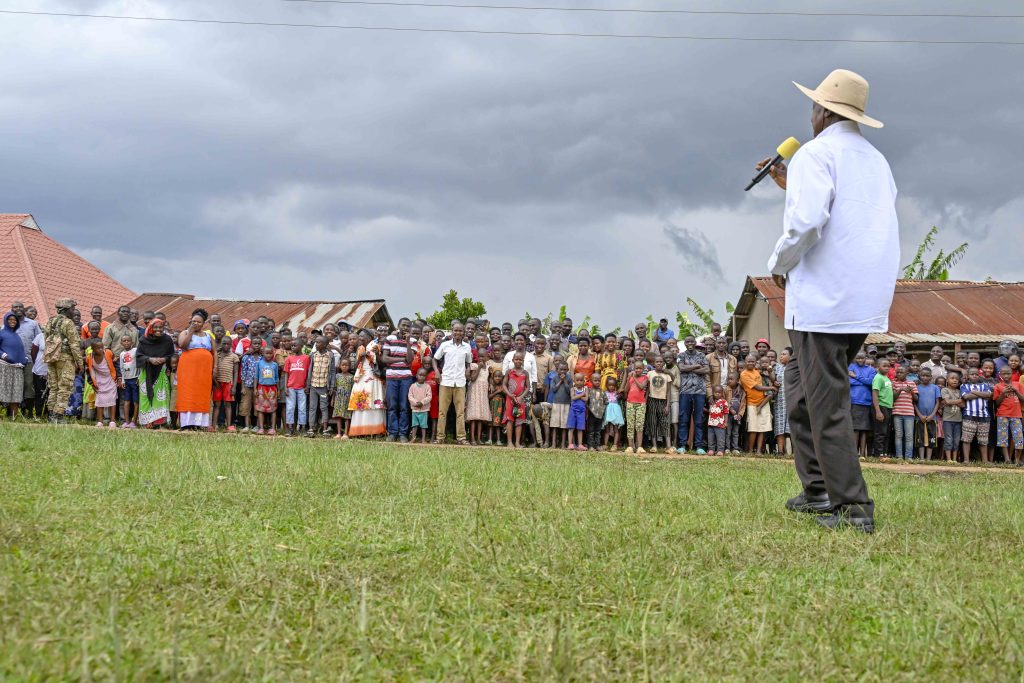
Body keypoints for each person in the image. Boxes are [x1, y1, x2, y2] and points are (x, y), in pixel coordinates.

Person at [761, 69, 896, 533]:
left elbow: (807, 224)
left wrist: (780, 263)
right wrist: (790, 183)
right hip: (861, 298)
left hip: (822, 300)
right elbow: (849, 218)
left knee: (825, 402)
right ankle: (816, 489)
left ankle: (854, 506)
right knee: (799, 389)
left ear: (821, 112)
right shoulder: (875, 160)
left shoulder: (815, 154)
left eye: (813, 107)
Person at [176, 309, 217, 430]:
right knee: (187, 392)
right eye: (193, 321)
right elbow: (182, 345)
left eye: (199, 322)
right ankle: (186, 423)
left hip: (204, 370)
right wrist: (190, 332)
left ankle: (199, 424)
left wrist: (215, 367)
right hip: (188, 369)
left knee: (202, 394)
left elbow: (214, 353)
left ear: (204, 323)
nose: (196, 324)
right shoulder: (184, 333)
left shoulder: (209, 336)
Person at [433, 321, 473, 445]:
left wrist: (467, 370)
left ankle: (461, 438)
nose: (458, 333)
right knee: (442, 412)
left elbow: (469, 362)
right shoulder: (445, 345)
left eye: (460, 331)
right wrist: (437, 372)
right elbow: (435, 359)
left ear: (463, 332)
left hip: (460, 383)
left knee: (460, 412)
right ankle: (440, 437)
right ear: (452, 331)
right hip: (445, 381)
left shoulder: (467, 347)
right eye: (456, 330)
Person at [347, 330, 386, 438]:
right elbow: (356, 366)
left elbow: (380, 362)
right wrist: (361, 356)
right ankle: (360, 430)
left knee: (373, 403)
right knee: (361, 404)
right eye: (359, 336)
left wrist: (369, 354)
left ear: (370, 337)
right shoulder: (360, 348)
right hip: (361, 378)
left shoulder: (374, 345)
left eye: (363, 336)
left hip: (372, 378)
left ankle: (375, 430)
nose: (360, 338)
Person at [382, 320, 415, 443]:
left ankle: (403, 434)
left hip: (406, 378)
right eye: (403, 325)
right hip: (391, 377)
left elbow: (410, 360)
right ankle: (392, 433)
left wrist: (407, 343)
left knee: (404, 406)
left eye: (408, 326)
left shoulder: (413, 342)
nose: (405, 328)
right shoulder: (389, 339)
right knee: (392, 406)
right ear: (398, 326)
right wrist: (402, 358)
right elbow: (385, 359)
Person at [676, 336, 709, 454]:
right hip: (685, 391)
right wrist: (696, 366)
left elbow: (706, 370)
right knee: (683, 418)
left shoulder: (701, 355)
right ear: (685, 343)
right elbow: (681, 367)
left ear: (695, 343)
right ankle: (682, 445)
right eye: (687, 341)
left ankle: (699, 446)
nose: (689, 343)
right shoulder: (681, 355)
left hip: (699, 391)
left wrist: (688, 369)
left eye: (691, 341)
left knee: (699, 419)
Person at [10, 302, 40, 414]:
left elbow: (39, 341)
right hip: (12, 362)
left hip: (29, 360)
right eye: (15, 307)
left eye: (20, 307)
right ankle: (12, 412)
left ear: (24, 309)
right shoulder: (8, 324)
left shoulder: (33, 324)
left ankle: (28, 412)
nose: (18, 309)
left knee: (29, 385)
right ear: (11, 309)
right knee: (15, 385)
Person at [740, 354, 773, 454]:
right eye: (749, 361)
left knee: (762, 428)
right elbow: (757, 387)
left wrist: (770, 371)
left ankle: (758, 451)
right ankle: (750, 451)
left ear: (756, 363)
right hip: (752, 404)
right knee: (753, 429)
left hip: (763, 403)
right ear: (745, 362)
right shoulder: (744, 374)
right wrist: (771, 388)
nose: (750, 363)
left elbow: (770, 377)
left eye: (753, 361)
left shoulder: (757, 372)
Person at [0, 311, 29, 418]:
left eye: (14, 320)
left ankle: (14, 418)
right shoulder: (1, 333)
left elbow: (19, 349)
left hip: (17, 368)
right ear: (5, 321)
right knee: (2, 391)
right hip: (4, 367)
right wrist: (4, 356)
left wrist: (25, 358)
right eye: (10, 320)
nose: (12, 322)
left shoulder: (16, 335)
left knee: (16, 393)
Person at [961, 368, 993, 463]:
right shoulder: (964, 385)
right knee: (966, 439)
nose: (974, 376)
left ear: (979, 376)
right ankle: (966, 460)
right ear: (968, 376)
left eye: (976, 374)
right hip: (969, 415)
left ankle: (985, 460)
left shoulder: (984, 385)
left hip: (984, 416)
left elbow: (988, 395)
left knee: (983, 440)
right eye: (972, 374)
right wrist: (981, 394)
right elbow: (966, 397)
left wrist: (974, 392)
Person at [992, 366, 1023, 465]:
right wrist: (1003, 393)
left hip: (1016, 415)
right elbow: (996, 403)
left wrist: (1016, 391)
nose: (1006, 376)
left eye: (1008, 373)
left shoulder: (1018, 384)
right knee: (1003, 438)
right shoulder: (998, 386)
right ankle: (1007, 459)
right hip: (1002, 415)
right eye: (1004, 374)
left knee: (1019, 438)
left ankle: (1017, 460)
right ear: (1000, 375)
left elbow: (1023, 399)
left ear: (1012, 374)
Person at [306, 336, 336, 437]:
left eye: (319, 342)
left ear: (325, 345)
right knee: (312, 407)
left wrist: (331, 386)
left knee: (324, 407)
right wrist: (308, 385)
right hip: (314, 385)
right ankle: (311, 429)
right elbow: (310, 370)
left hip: (324, 387)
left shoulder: (330, 355)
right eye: (316, 342)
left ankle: (325, 429)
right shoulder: (313, 355)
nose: (316, 344)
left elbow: (332, 371)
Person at [848, 352, 876, 457]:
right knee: (855, 428)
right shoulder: (850, 367)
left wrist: (855, 376)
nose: (860, 360)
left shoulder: (871, 369)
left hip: (866, 402)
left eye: (862, 358)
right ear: (855, 358)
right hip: (854, 401)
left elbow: (870, 382)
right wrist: (862, 381)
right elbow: (849, 381)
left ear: (865, 358)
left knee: (864, 428)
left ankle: (863, 454)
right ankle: (854, 453)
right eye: (858, 358)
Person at [86, 337, 117, 428]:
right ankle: (100, 421)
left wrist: (117, 377)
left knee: (112, 400)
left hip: (110, 379)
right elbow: (89, 371)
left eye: (102, 347)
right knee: (99, 401)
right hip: (99, 380)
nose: (101, 349)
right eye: (98, 348)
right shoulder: (89, 357)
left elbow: (115, 363)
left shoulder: (108, 353)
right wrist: (92, 384)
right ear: (93, 349)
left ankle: (112, 421)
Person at [502, 351, 530, 449]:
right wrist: (510, 395)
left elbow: (527, 387)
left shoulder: (525, 373)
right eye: (516, 359)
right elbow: (504, 385)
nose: (518, 361)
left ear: (523, 361)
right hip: (510, 399)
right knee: (510, 420)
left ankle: (517, 442)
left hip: (520, 400)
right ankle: (509, 442)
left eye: (520, 359)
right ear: (513, 360)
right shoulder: (509, 372)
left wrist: (521, 397)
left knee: (519, 421)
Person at [645, 356, 672, 453]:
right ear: (654, 363)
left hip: (663, 401)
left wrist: (668, 405)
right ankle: (654, 446)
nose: (659, 363)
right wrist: (645, 401)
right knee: (652, 422)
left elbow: (669, 391)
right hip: (652, 400)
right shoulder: (650, 374)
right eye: (657, 362)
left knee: (665, 422)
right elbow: (647, 389)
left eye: (661, 362)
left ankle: (668, 446)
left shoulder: (667, 375)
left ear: (663, 363)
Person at [283, 339, 310, 435]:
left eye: (295, 345)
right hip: (291, 387)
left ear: (302, 346)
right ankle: (290, 428)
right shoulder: (289, 358)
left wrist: (307, 385)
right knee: (290, 407)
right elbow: (286, 373)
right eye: (292, 345)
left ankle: (302, 427)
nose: (293, 347)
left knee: (302, 408)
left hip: (302, 387)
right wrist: (285, 387)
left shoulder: (306, 358)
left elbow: (308, 373)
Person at [891, 366, 918, 460]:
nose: (898, 374)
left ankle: (908, 457)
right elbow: (893, 398)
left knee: (909, 436)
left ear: (907, 373)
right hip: (897, 412)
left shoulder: (912, 383)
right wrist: (901, 389)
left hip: (909, 413)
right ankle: (899, 456)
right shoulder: (893, 383)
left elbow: (916, 399)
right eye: (897, 372)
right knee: (898, 435)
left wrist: (912, 392)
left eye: (901, 372)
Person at [212, 337, 239, 433]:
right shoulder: (217, 355)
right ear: (221, 344)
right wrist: (215, 382)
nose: (226, 346)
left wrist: (234, 386)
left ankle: (229, 425)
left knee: (228, 405)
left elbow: (235, 372)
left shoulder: (234, 356)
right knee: (217, 404)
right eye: (224, 343)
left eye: (228, 344)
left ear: (231, 345)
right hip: (217, 383)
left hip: (228, 383)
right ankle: (213, 426)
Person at [915, 367, 941, 460]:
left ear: (931, 377)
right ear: (919, 376)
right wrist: (920, 415)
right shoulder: (916, 388)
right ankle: (922, 458)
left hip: (932, 418)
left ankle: (928, 459)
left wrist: (932, 415)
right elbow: (914, 403)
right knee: (920, 438)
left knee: (931, 438)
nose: (925, 377)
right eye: (923, 375)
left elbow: (937, 402)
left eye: (927, 376)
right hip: (919, 418)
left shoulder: (935, 388)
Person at [624, 361, 649, 454]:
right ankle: (630, 446)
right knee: (630, 425)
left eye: (640, 368)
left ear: (643, 369)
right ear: (633, 368)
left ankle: (639, 447)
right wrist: (628, 379)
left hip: (641, 404)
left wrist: (634, 377)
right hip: (630, 403)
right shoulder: (631, 378)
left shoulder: (645, 378)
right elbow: (626, 390)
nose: (638, 370)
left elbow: (642, 387)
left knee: (639, 426)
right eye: (636, 368)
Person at [465, 358, 492, 446]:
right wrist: (479, 368)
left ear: (487, 357)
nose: (481, 358)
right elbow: (472, 379)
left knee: (480, 417)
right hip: (474, 393)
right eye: (479, 355)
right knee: (473, 417)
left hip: (483, 394)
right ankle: (472, 438)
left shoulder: (488, 367)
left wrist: (490, 385)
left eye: (483, 356)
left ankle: (479, 438)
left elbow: (489, 379)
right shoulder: (474, 366)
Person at [254, 345, 279, 435]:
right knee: (261, 409)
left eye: (270, 353)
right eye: (267, 353)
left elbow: (277, 378)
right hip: (261, 388)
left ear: (273, 354)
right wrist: (255, 389)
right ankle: (261, 428)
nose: (269, 355)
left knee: (273, 409)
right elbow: (256, 377)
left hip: (272, 389)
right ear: (263, 353)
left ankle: (272, 428)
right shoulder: (259, 363)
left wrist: (278, 390)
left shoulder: (274, 365)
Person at [871, 358, 894, 458]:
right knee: (880, 432)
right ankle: (878, 454)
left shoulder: (886, 378)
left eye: (888, 366)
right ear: (877, 367)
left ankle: (884, 452)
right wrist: (878, 411)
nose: (887, 368)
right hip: (881, 407)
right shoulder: (878, 378)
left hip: (888, 407)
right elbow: (875, 395)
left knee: (886, 432)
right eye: (884, 366)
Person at [117, 333, 140, 428]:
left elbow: (139, 364)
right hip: (126, 380)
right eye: (124, 341)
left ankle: (134, 422)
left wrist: (139, 377)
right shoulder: (122, 354)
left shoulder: (135, 351)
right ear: (121, 343)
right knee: (126, 401)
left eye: (128, 340)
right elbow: (122, 368)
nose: (126, 342)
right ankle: (126, 421)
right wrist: (122, 380)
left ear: (132, 342)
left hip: (135, 379)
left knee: (135, 402)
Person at [941, 371, 964, 462]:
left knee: (956, 440)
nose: (955, 380)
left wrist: (954, 401)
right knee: (948, 439)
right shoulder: (945, 390)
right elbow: (947, 402)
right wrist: (959, 401)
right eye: (952, 378)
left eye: (957, 379)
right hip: (947, 419)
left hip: (958, 419)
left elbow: (963, 405)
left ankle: (954, 459)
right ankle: (948, 459)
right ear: (947, 380)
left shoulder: (959, 391)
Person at [548, 362, 571, 449]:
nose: (562, 371)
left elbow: (569, 391)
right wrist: (561, 381)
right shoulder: (554, 378)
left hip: (566, 404)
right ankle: (553, 444)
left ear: (568, 370)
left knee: (564, 425)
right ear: (557, 370)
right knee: (554, 424)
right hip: (556, 403)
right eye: (561, 369)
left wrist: (565, 381)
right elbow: (553, 389)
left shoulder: (569, 378)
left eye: (565, 370)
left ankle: (562, 444)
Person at [773, 347, 791, 455]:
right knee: (780, 426)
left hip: (792, 401)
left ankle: (795, 453)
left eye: (784, 354)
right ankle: (780, 451)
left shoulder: (796, 368)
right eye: (780, 354)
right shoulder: (777, 368)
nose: (781, 356)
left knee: (793, 426)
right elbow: (773, 379)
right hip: (780, 401)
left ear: (791, 356)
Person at [332, 358, 355, 439]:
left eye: (346, 365)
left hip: (347, 399)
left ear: (350, 366)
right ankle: (338, 433)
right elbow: (335, 388)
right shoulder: (337, 376)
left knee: (347, 416)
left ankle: (346, 433)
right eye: (343, 365)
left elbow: (353, 389)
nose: (344, 367)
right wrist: (333, 399)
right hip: (338, 398)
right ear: (340, 366)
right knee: (338, 416)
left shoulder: (352, 377)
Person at [408, 367, 432, 444]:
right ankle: (413, 439)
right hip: (415, 409)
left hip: (424, 409)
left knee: (424, 425)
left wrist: (422, 402)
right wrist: (415, 403)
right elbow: (410, 396)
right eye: (420, 375)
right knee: (414, 425)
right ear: (416, 375)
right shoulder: (412, 386)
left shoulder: (427, 386)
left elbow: (429, 396)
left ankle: (423, 439)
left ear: (426, 376)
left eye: (424, 375)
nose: (422, 377)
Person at [602, 377, 624, 451]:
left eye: (613, 385)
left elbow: (622, 392)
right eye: (609, 385)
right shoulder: (604, 393)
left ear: (615, 386)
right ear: (606, 385)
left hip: (616, 413)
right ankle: (605, 444)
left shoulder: (617, 394)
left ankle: (615, 445)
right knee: (607, 430)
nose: (611, 387)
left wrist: (620, 393)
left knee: (616, 429)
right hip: (608, 413)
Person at [707, 385, 729, 456]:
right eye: (716, 392)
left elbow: (726, 413)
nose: (717, 394)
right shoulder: (711, 401)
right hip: (711, 423)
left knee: (720, 438)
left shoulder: (724, 402)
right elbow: (710, 411)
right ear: (713, 392)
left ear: (722, 393)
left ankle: (720, 450)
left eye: (719, 392)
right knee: (711, 438)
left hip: (720, 424)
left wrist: (725, 422)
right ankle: (711, 449)